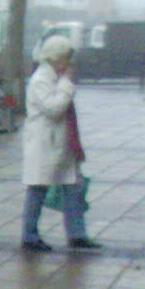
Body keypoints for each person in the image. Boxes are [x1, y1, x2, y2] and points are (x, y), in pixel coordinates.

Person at [21, 35, 100, 251]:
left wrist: (64, 83)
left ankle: (77, 234)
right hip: (46, 144)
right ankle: (29, 235)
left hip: (61, 145)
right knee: (38, 189)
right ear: (56, 58)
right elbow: (54, 108)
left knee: (73, 187)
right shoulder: (40, 80)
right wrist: (66, 84)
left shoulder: (54, 77)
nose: (69, 63)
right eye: (66, 58)